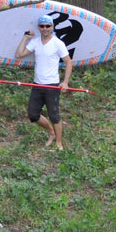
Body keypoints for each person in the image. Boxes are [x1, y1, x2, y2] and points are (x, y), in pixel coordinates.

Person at [15, 14, 72, 149]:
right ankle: (51, 132)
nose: (45, 28)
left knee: (54, 115)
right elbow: (19, 55)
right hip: (37, 84)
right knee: (33, 114)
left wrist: (65, 82)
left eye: (48, 26)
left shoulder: (58, 43)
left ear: (52, 27)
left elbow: (68, 63)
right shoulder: (35, 42)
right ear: (39, 27)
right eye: (42, 26)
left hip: (52, 86)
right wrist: (25, 38)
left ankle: (58, 142)